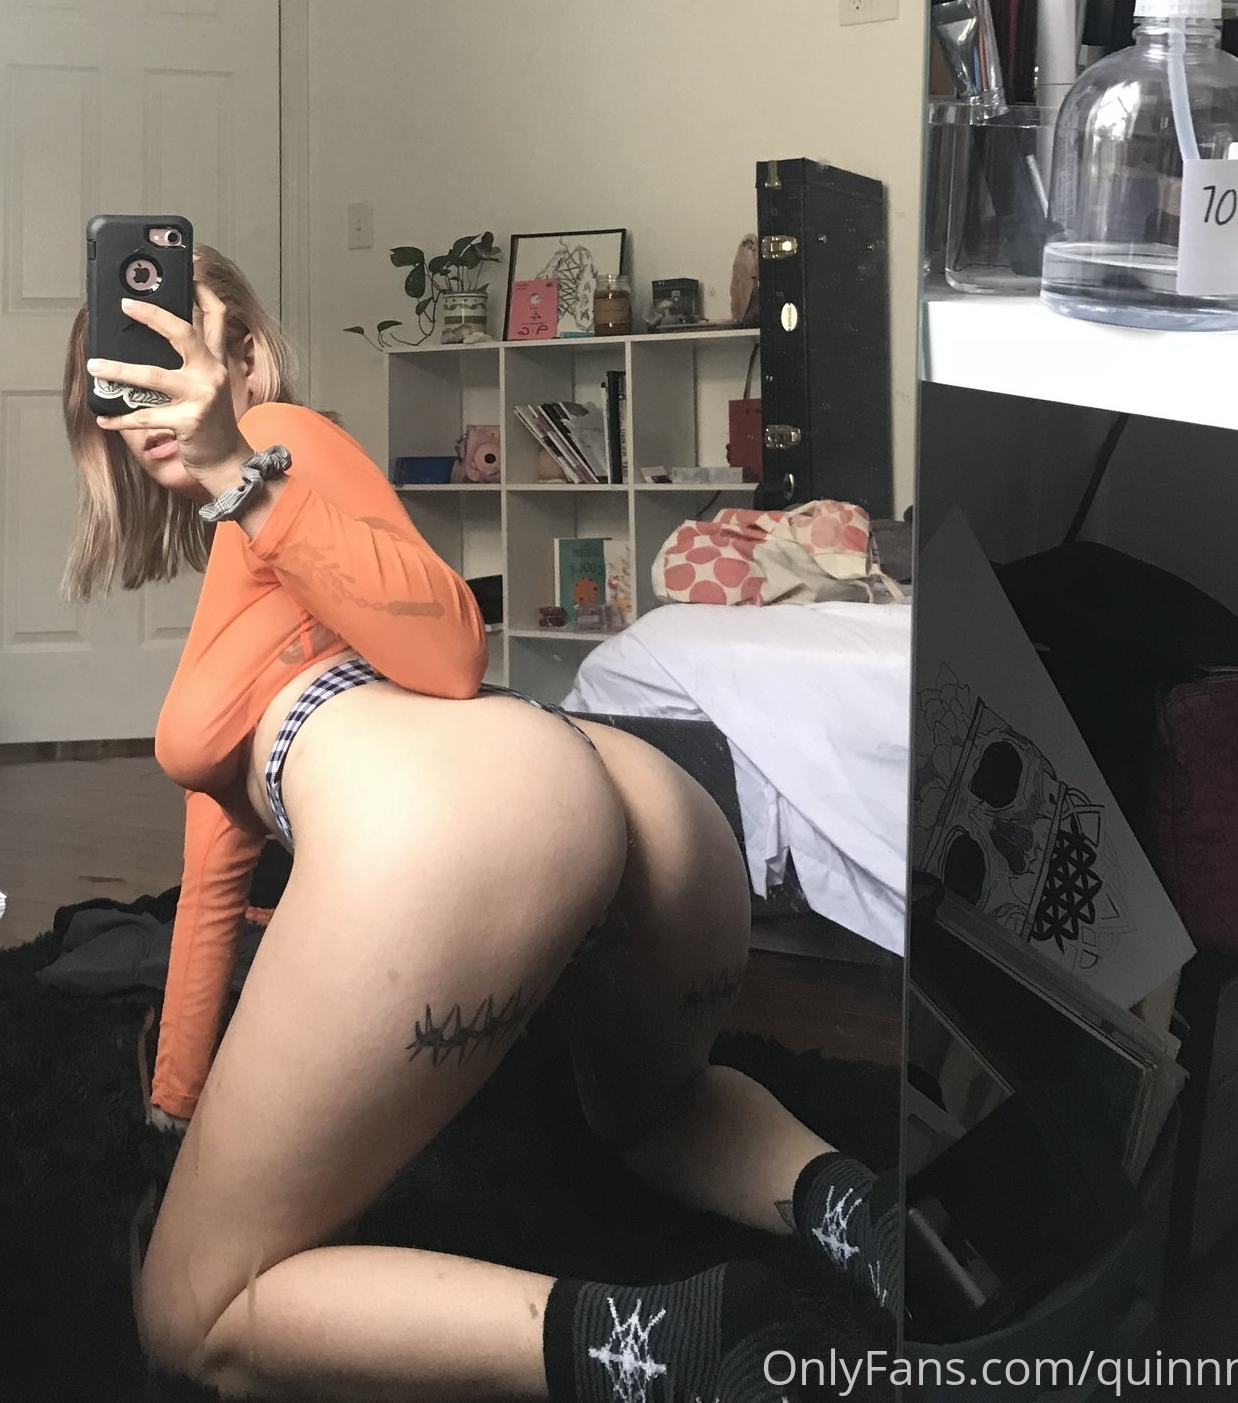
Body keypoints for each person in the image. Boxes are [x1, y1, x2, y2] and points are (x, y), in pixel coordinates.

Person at [61, 245, 897, 1402]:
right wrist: (174, 1106)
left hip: (470, 808)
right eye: (124, 377)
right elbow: (214, 876)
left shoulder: (286, 445)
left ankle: (660, 1352)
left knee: (187, 1313)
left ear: (245, 357)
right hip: (625, 794)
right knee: (651, 1112)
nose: (156, 394)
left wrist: (234, 465)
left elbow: (448, 643)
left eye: (181, 347)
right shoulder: (248, 544)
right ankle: (861, 1216)